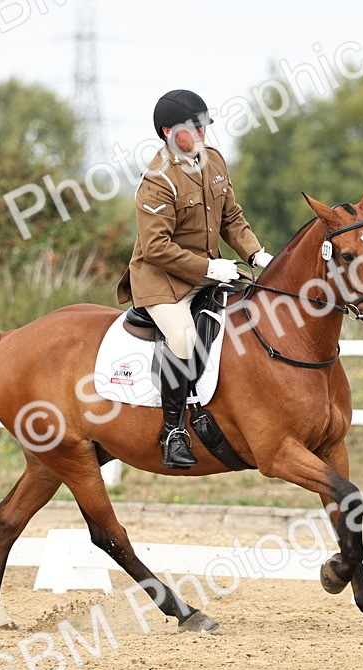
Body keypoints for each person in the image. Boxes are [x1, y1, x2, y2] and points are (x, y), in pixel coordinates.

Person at [116, 89, 273, 470]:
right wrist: (207, 269)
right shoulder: (157, 181)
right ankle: (173, 432)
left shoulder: (214, 161)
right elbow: (155, 247)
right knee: (184, 339)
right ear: (169, 132)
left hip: (210, 274)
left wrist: (256, 254)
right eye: (194, 126)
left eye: (204, 123)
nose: (203, 131)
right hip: (162, 282)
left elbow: (231, 217)